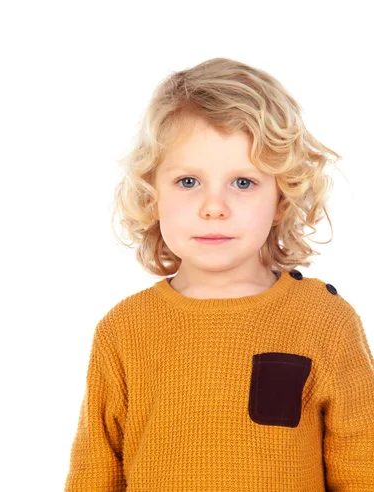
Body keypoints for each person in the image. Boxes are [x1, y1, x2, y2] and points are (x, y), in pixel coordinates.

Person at [64, 58, 374, 491]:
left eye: (243, 183)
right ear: (152, 194)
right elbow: (94, 473)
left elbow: (362, 471)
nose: (214, 207)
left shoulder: (326, 322)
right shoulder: (124, 330)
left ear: (281, 199)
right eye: (188, 181)